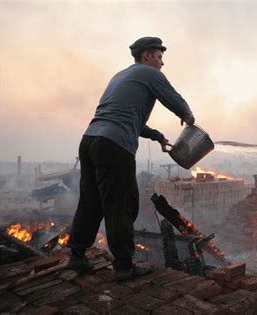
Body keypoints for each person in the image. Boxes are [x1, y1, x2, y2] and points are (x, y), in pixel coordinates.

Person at [67, 37, 195, 281]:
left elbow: (124, 116)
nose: (162, 63)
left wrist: (155, 134)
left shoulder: (120, 76)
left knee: (91, 200)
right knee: (121, 205)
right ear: (147, 56)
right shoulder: (149, 73)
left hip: (91, 140)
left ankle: (77, 256)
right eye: (159, 56)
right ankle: (124, 266)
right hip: (115, 146)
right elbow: (174, 99)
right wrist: (188, 116)